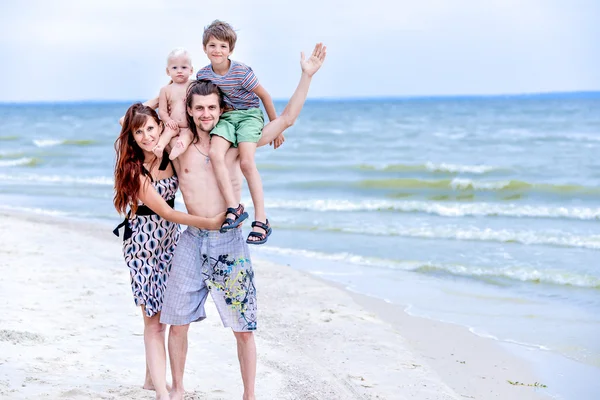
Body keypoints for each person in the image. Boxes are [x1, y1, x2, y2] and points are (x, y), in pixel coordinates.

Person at [159, 42, 326, 400]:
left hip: (229, 242)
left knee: (244, 327)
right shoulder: (179, 148)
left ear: (222, 110)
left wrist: (306, 77)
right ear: (188, 109)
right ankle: (177, 390)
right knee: (176, 321)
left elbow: (286, 119)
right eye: (199, 108)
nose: (206, 114)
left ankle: (249, 395)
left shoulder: (235, 145)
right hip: (190, 239)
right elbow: (138, 134)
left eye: (212, 108)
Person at [113, 104, 223, 400]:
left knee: (167, 314)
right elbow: (167, 212)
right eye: (139, 131)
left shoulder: (171, 157)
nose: (147, 135)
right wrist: (208, 223)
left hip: (169, 244)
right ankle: (163, 392)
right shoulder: (134, 170)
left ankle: (152, 378)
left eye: (151, 127)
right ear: (132, 137)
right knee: (154, 319)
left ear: (159, 126)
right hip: (143, 247)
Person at [151, 48, 195, 160]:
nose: (179, 71)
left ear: (191, 70)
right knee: (167, 133)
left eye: (184, 67)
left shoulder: (194, 86)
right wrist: (168, 121)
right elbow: (162, 111)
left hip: (189, 125)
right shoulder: (165, 90)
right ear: (168, 71)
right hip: (173, 124)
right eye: (174, 68)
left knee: (188, 135)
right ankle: (160, 147)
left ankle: (179, 147)